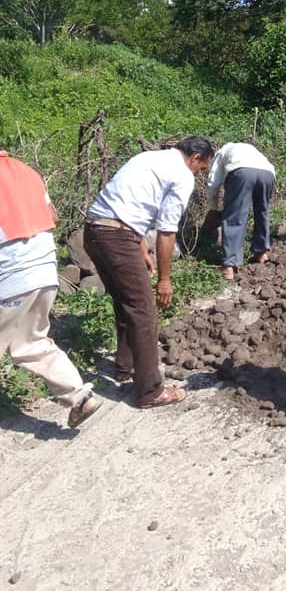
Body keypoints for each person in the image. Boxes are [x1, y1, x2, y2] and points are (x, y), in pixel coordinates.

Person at [83, 136, 214, 408]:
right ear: (195, 158)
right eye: (201, 168)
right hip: (117, 237)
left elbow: (130, 205)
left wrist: (141, 250)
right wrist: (165, 280)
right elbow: (166, 231)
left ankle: (125, 365)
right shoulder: (182, 174)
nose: (198, 173)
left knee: (124, 301)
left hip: (94, 230)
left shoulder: (149, 159)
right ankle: (150, 391)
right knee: (143, 312)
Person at [0, 151, 101, 428]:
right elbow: (52, 214)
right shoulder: (26, 171)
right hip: (44, 270)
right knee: (32, 343)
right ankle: (80, 396)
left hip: (10, 276)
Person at [205, 141, 276, 280]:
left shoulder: (222, 152)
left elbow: (213, 182)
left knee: (234, 217)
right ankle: (261, 253)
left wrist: (213, 208)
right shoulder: (251, 150)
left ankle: (229, 266)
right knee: (262, 213)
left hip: (241, 171)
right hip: (268, 174)